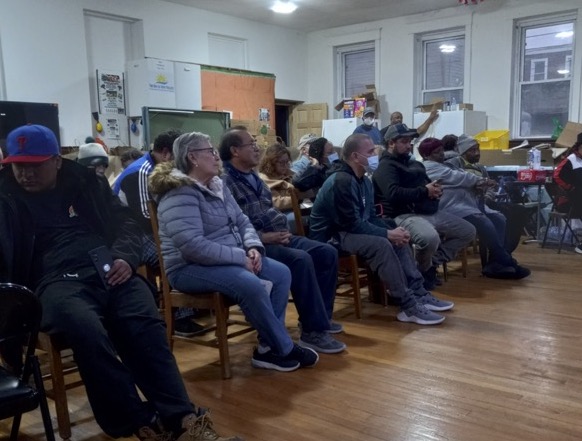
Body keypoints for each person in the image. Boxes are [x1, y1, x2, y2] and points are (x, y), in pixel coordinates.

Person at [0, 124, 242, 441]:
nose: (25, 173)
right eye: (18, 165)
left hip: (106, 267)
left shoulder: (86, 182)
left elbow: (126, 223)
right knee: (85, 329)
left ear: (57, 161)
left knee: (144, 323)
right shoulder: (4, 196)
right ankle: (141, 421)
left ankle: (182, 419)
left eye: (35, 165)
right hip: (51, 281)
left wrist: (126, 258)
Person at [149, 131, 318, 372]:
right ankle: (284, 347)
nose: (216, 155)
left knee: (281, 273)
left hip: (228, 258)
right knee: (250, 284)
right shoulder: (179, 193)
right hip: (188, 267)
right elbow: (192, 246)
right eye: (210, 151)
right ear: (192, 157)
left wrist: (253, 247)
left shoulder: (217, 184)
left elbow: (242, 220)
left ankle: (267, 349)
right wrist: (240, 258)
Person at [219, 127, 346, 354]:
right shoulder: (225, 182)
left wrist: (279, 233)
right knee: (300, 260)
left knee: (326, 252)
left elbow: (269, 210)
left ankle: (320, 319)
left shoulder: (253, 177)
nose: (257, 148)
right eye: (251, 144)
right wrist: (263, 237)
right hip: (256, 244)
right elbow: (228, 227)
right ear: (235, 151)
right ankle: (313, 332)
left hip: (280, 236)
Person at [309, 133, 453, 325]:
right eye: (370, 152)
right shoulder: (340, 180)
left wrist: (394, 231)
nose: (375, 155)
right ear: (355, 156)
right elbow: (350, 224)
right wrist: (387, 234)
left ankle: (418, 292)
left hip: (348, 231)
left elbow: (370, 217)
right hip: (329, 237)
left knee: (398, 235)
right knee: (382, 243)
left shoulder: (364, 181)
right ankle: (408, 305)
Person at [112, 129, 199, 337]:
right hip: (131, 238)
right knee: (176, 252)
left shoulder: (164, 169)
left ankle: (196, 302)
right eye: (180, 155)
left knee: (191, 243)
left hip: (152, 231)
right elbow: (145, 218)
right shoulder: (141, 172)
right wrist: (177, 232)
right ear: (167, 153)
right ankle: (179, 316)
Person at [372, 123, 476, 290]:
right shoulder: (386, 167)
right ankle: (422, 272)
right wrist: (425, 191)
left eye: (410, 141)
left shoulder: (414, 164)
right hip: (402, 214)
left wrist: (435, 190)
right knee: (429, 238)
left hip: (426, 210)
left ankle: (427, 265)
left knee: (468, 231)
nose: (409, 145)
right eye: (404, 141)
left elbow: (426, 185)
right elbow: (393, 194)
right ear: (391, 143)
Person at [419, 137, 531, 279]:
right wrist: (480, 181)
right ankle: (506, 261)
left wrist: (483, 188)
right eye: (437, 152)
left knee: (500, 219)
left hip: (472, 203)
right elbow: (459, 177)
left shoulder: (457, 165)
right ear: (426, 155)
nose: (441, 154)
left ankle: (496, 263)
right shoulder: (432, 166)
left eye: (441, 150)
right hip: (452, 206)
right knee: (486, 223)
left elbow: (470, 182)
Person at [447, 134, 531, 254]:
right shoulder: (454, 165)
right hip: (465, 204)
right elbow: (454, 185)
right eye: (472, 150)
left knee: (519, 211)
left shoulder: (480, 167)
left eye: (478, 149)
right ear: (463, 152)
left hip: (485, 201)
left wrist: (487, 197)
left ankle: (505, 251)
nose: (477, 153)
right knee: (502, 217)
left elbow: (490, 187)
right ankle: (501, 254)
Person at [258, 143, 312, 232]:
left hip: (298, 207)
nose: (286, 166)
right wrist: (298, 197)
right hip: (279, 214)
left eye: (287, 162)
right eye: (282, 163)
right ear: (271, 163)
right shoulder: (264, 179)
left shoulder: (289, 173)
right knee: (304, 219)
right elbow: (275, 203)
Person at [553, 131, 582, 253]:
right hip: (569, 200)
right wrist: (570, 188)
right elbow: (556, 176)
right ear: (578, 147)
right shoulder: (571, 160)